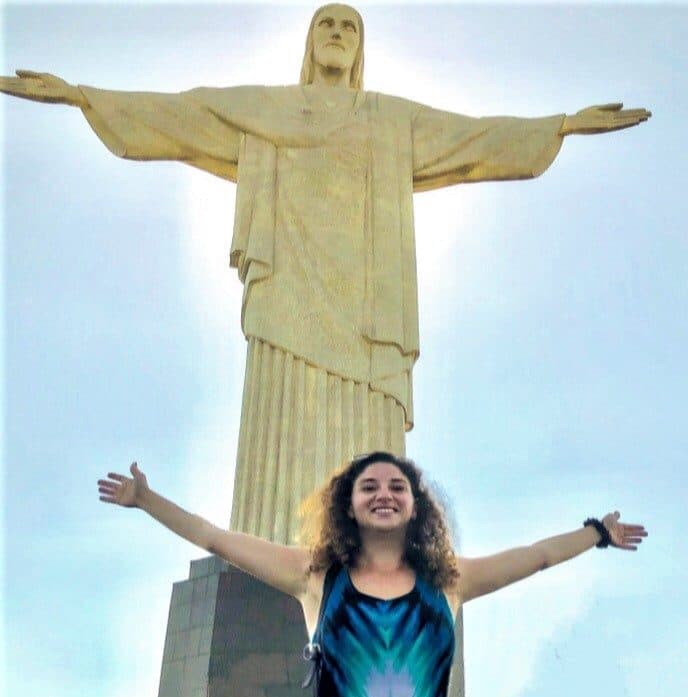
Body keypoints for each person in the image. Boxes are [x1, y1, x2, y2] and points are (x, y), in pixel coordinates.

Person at [3, 5, 651, 546]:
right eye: (327, 24)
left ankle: (367, 548)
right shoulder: (265, 108)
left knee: (368, 437)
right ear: (310, 43)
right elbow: (183, 116)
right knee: (277, 426)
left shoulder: (390, 120)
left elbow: (473, 138)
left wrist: (560, 127)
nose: (338, 33)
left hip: (369, 306)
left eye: (349, 26)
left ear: (361, 47)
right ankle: (265, 542)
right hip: (287, 289)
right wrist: (81, 96)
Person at [97, 451, 647, 697]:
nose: (384, 494)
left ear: (415, 505)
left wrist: (596, 533)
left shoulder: (449, 582)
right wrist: (147, 500)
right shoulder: (314, 577)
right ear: (349, 503)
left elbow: (537, 558)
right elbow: (216, 538)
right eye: (369, 486)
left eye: (397, 486)